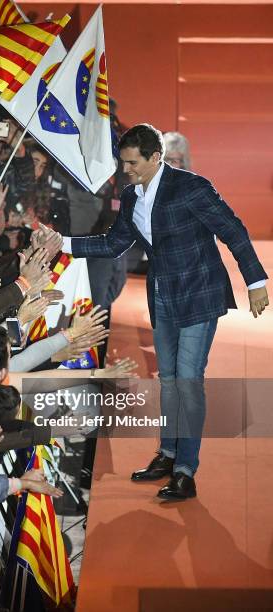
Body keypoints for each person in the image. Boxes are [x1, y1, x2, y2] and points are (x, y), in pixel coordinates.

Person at [60, 123, 269, 501]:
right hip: (162, 296)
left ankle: (186, 471)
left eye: (133, 162)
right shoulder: (130, 196)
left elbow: (233, 230)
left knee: (188, 379)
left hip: (199, 294)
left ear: (155, 157)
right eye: (123, 163)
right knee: (168, 380)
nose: (127, 169)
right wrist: (61, 243)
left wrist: (255, 282)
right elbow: (113, 243)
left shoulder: (192, 187)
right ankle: (168, 454)